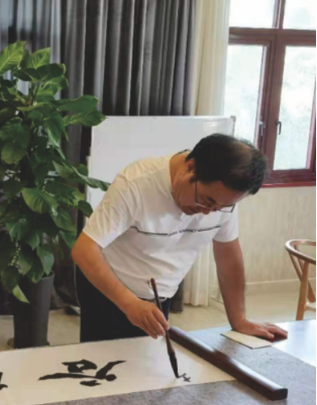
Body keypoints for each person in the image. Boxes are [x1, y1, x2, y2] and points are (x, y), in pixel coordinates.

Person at [71, 134, 288, 343]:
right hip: (109, 291)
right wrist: (129, 303)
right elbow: (84, 250)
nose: (207, 212)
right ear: (190, 166)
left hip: (160, 295)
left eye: (220, 207)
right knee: (106, 360)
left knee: (146, 359)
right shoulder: (135, 184)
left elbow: (228, 258)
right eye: (206, 200)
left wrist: (239, 320)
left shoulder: (222, 199)